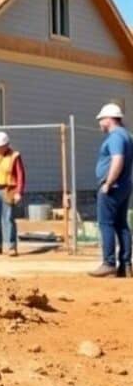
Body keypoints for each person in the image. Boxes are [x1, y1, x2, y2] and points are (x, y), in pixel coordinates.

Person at [89, 103, 132, 278]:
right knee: (121, 224)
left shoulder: (115, 137)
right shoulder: (127, 135)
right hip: (124, 185)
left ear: (108, 119)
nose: (100, 124)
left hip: (113, 186)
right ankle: (126, 265)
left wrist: (108, 183)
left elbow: (117, 160)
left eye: (101, 120)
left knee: (105, 223)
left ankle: (108, 263)